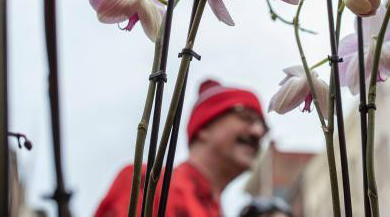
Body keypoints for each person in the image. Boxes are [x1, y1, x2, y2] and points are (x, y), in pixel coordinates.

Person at [95, 79, 267, 217]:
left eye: (264, 128)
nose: (258, 132)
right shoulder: (145, 183)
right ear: (204, 129)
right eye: (246, 117)